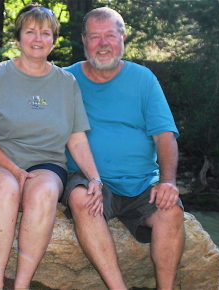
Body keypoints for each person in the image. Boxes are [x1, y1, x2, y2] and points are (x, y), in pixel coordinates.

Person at [0, 4, 102, 289]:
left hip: (44, 164)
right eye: (31, 32)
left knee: (45, 192)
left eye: (45, 33)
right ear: (18, 38)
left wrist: (95, 177)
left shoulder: (66, 83)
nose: (38, 39)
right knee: (5, 186)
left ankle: (22, 284)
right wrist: (13, 170)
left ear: (54, 40)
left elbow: (76, 138)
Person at [61, 7, 185, 289]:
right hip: (90, 180)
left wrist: (167, 182)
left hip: (142, 183)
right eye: (95, 37)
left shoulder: (143, 79)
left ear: (123, 38)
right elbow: (26, 109)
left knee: (172, 212)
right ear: (84, 41)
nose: (103, 44)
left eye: (110, 36)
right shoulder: (65, 80)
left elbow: (165, 136)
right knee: (82, 201)